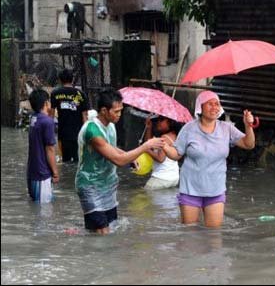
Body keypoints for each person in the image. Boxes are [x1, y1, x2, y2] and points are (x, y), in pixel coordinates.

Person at [160, 91, 256, 228]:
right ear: (200, 107)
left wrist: (248, 126)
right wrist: (164, 146)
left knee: (214, 235)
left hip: (215, 190)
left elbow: (249, 144)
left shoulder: (226, 128)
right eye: (210, 104)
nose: (215, 107)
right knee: (189, 235)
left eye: (217, 104)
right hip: (190, 190)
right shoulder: (189, 128)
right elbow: (176, 154)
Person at [75, 88, 163, 235]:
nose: (119, 115)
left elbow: (113, 149)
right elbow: (118, 160)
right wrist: (145, 146)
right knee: (102, 232)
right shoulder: (92, 131)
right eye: (116, 112)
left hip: (107, 184)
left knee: (110, 228)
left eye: (121, 111)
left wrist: (131, 157)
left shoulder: (110, 126)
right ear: (104, 110)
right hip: (90, 186)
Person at [27, 89, 59, 203]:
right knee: (44, 213)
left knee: (37, 206)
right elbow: (50, 149)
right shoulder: (47, 121)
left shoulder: (33, 118)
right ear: (46, 103)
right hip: (42, 174)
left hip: (32, 171)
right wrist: (55, 172)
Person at [50, 69, 89, 162]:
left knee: (65, 160)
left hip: (63, 133)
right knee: (78, 160)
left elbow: (51, 115)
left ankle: (66, 176)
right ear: (72, 79)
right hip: (78, 133)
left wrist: (49, 131)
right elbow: (85, 116)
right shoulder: (80, 94)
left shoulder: (55, 93)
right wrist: (86, 134)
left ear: (60, 80)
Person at [143, 115, 182, 190]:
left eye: (161, 120)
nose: (158, 122)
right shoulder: (176, 136)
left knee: (143, 196)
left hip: (161, 178)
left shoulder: (165, 137)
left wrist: (145, 149)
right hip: (174, 178)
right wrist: (149, 128)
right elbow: (149, 144)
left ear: (170, 122)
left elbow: (160, 158)